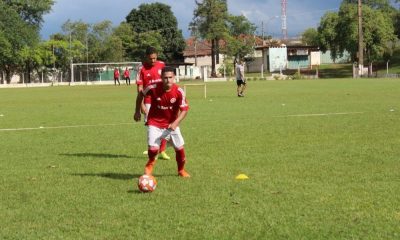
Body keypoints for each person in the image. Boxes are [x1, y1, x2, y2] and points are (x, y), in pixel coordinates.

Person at [134, 66, 190, 177]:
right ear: (161, 77)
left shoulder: (179, 92)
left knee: (180, 149)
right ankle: (150, 163)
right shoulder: (152, 87)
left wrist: (175, 123)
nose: (168, 80)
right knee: (153, 149)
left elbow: (184, 110)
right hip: (154, 123)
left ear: (174, 77)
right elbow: (140, 95)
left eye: (170, 77)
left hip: (171, 125)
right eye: (165, 78)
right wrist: (137, 111)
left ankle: (181, 170)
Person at [136, 46, 170, 160]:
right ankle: (152, 149)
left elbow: (168, 80)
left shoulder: (162, 65)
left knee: (166, 124)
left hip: (163, 98)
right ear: (146, 57)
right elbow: (140, 88)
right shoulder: (141, 69)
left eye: (155, 58)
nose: (153, 61)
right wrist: (141, 105)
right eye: (151, 59)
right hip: (149, 100)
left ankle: (163, 150)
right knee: (151, 126)